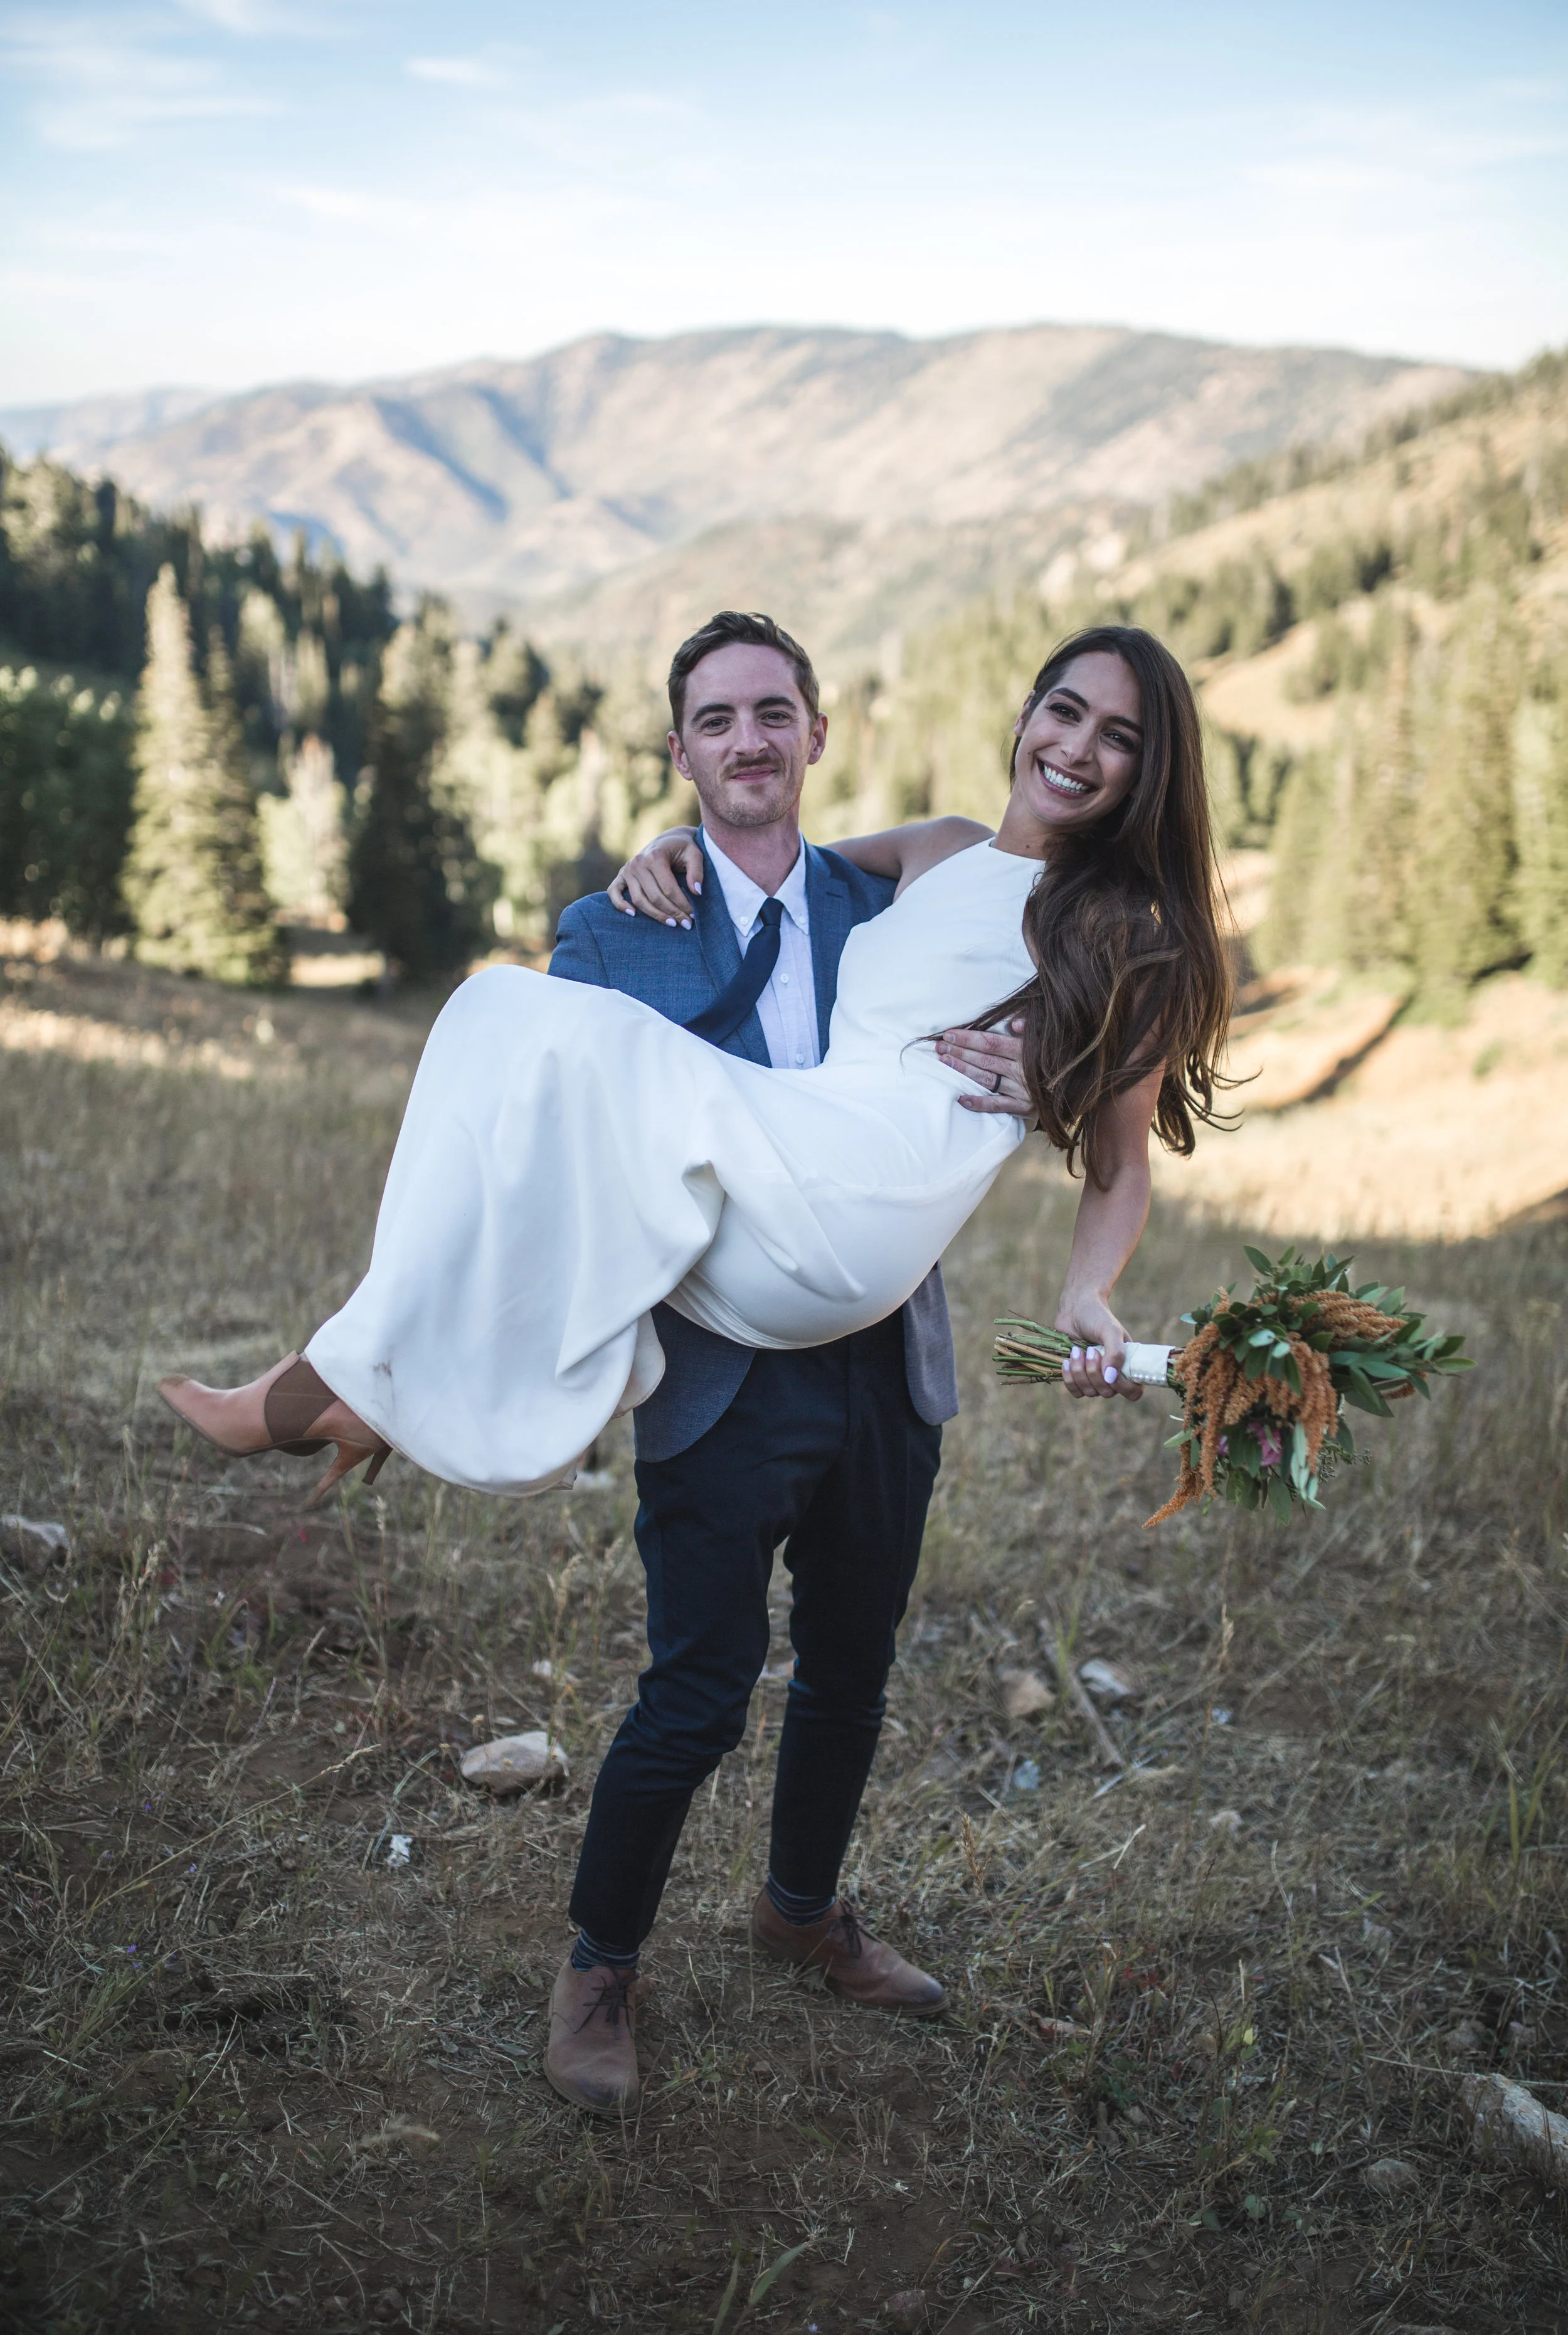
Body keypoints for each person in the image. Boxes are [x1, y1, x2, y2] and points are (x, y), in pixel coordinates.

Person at [157, 613, 1232, 2117]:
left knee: (849, 1662)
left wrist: (1090, 1296)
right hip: (742, 1296)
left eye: (1118, 736)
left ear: (1146, 769)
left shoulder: (1121, 929)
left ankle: (796, 1907)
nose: (1079, 748)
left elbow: (1116, 1164)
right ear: (1023, 715)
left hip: (859, 1257)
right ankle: (600, 1961)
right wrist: (664, 853)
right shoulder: (910, 857)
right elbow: (756, 860)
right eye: (1065, 711)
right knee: (698, 1683)